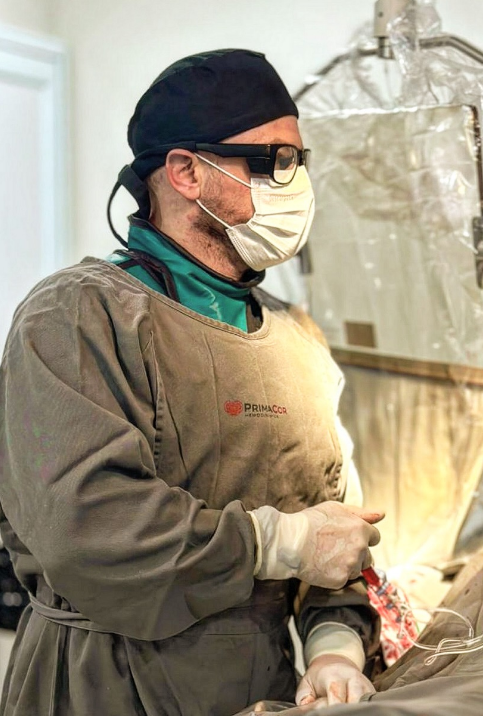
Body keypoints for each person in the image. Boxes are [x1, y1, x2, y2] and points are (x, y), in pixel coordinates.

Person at [0, 49, 384, 716]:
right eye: (274, 161)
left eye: (300, 161)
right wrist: (279, 543)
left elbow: (333, 531)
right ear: (186, 172)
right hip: (105, 684)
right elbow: (91, 532)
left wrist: (333, 648)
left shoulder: (297, 340)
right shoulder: (78, 318)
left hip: (265, 689)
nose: (296, 185)